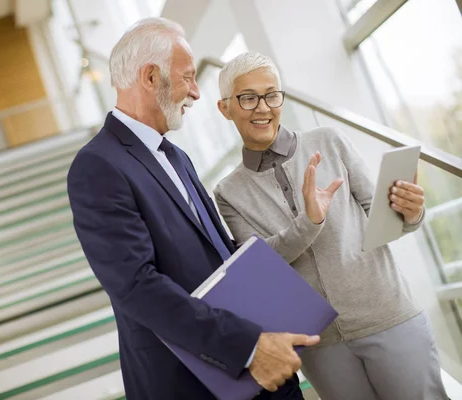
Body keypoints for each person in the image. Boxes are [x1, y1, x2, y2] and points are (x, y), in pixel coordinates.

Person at [67, 18, 320, 400]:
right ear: (151, 77)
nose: (197, 93)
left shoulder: (176, 155)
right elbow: (137, 286)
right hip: (193, 379)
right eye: (187, 77)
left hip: (257, 366)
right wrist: (248, 347)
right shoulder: (97, 166)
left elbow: (219, 256)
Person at [213, 51, 449, 400]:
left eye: (271, 94)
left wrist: (412, 213)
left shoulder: (329, 141)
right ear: (225, 108)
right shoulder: (228, 192)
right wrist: (308, 222)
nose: (262, 107)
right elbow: (262, 266)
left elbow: (384, 217)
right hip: (321, 345)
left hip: (388, 315)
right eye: (248, 98)